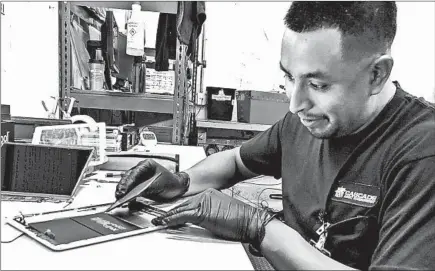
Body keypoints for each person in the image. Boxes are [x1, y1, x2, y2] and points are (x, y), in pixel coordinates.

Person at [115, 2, 435, 270]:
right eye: (288, 76)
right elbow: (236, 162)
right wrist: (182, 181)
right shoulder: (304, 121)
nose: (295, 104)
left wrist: (262, 228)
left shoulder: (420, 153)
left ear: (376, 74)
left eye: (319, 85)